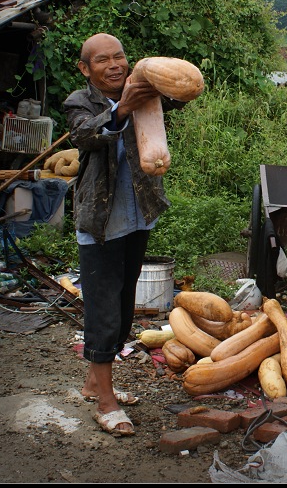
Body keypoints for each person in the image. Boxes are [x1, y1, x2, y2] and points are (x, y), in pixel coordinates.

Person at [64, 33, 184, 437]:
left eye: (120, 57)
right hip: (101, 221)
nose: (114, 65)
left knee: (124, 303)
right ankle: (106, 402)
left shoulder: (143, 90)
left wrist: (164, 79)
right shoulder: (80, 102)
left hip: (138, 216)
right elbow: (84, 137)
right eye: (103, 60)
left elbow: (179, 97)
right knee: (103, 310)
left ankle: (93, 383)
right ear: (86, 68)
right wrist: (121, 110)